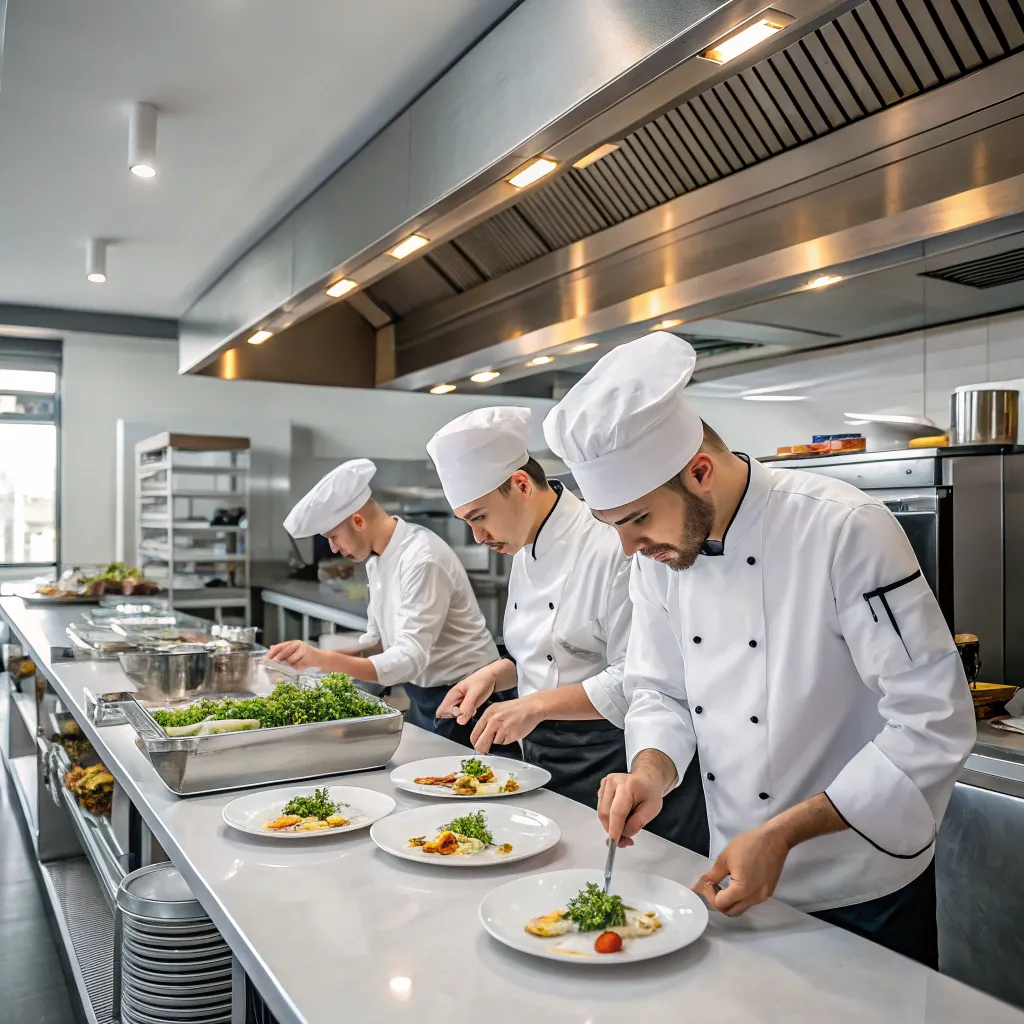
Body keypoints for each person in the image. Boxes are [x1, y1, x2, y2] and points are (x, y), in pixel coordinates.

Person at [542, 331, 976, 966]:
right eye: (614, 528)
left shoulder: (845, 529)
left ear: (699, 471)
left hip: (859, 879)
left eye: (636, 519)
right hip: (734, 870)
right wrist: (650, 772)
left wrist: (782, 833)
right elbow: (660, 690)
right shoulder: (659, 556)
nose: (628, 548)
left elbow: (934, 721)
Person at [427, 406, 709, 854]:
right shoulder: (523, 545)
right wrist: (495, 675)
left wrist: (534, 705)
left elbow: (636, 676)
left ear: (521, 485)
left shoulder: (613, 547)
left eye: (479, 517)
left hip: (612, 757)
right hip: (542, 751)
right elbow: (549, 653)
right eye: (468, 522)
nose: (477, 536)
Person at [268, 458, 506, 748]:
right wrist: (310, 659)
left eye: (333, 537)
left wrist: (324, 660)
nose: (332, 548)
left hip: (470, 700)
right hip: (425, 697)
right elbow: (379, 643)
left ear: (358, 521)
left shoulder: (422, 558)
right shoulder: (378, 560)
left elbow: (409, 658)